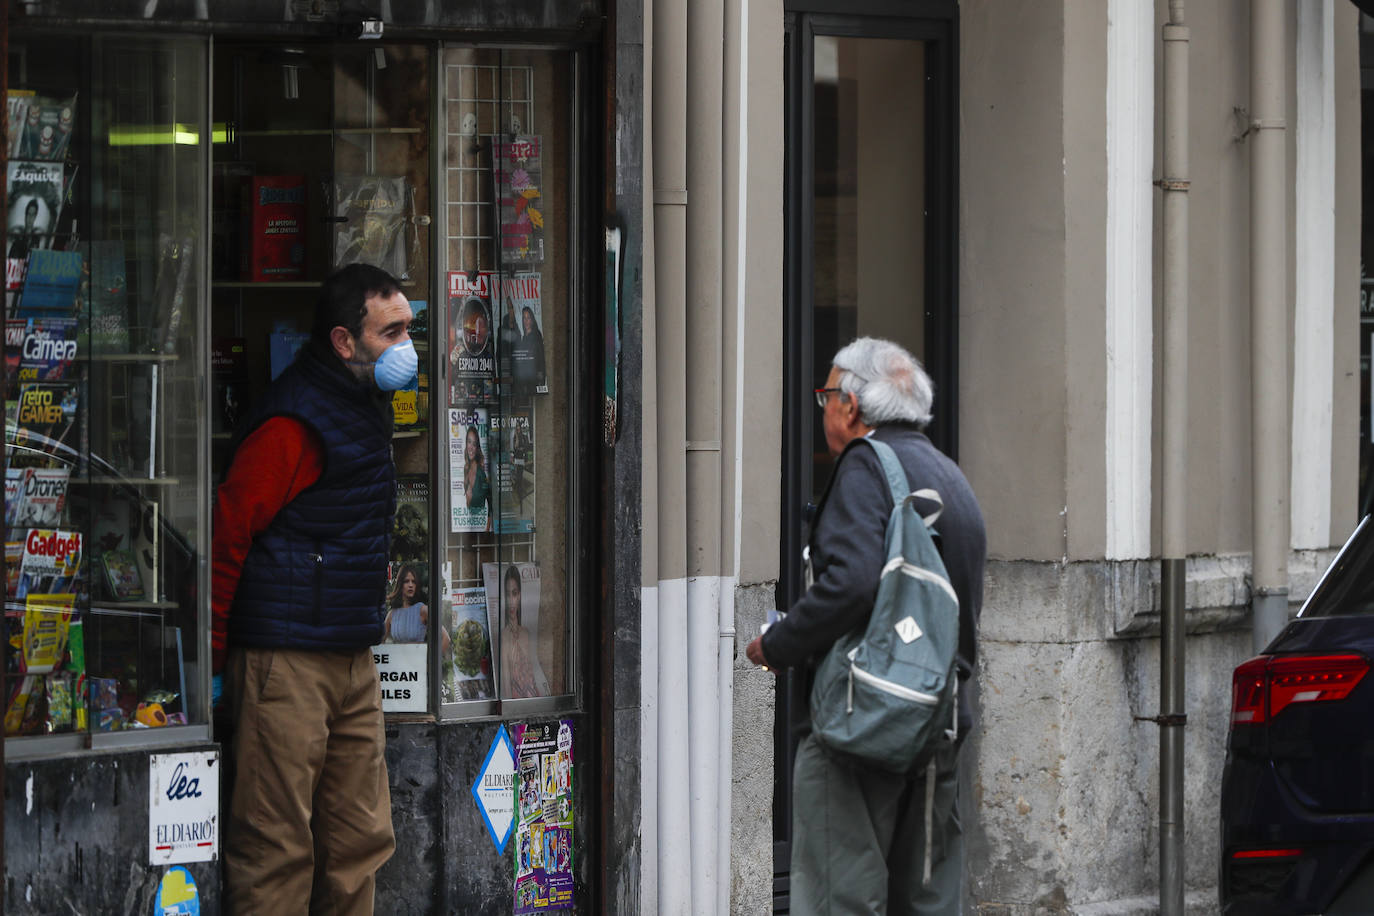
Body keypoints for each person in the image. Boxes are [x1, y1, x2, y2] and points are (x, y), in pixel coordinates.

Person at [746, 337, 986, 916]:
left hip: (860, 725)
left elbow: (850, 585)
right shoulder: (949, 477)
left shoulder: (864, 467)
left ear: (849, 406)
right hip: (938, 721)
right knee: (926, 897)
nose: (823, 408)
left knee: (839, 895)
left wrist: (776, 643)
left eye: (826, 394)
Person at [212, 262, 417, 914]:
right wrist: (213, 662)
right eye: (391, 332)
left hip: (349, 654)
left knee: (360, 842)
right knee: (276, 851)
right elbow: (228, 537)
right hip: (285, 660)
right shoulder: (291, 423)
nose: (406, 347)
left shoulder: (362, 405)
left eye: (408, 328)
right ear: (343, 340)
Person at [500, 564, 549, 698]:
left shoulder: (526, 633)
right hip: (516, 703)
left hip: (533, 698)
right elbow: (506, 680)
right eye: (507, 594)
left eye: (514, 594)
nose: (511, 601)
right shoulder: (504, 636)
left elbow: (534, 670)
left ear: (519, 596)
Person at [383, 563, 451, 655]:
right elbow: (379, 643)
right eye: (406, 581)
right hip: (398, 666)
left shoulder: (423, 610)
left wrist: (429, 664)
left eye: (413, 582)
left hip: (418, 666)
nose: (411, 585)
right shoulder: (392, 614)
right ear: (400, 584)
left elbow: (446, 638)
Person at [512, 305, 546, 394]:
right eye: (524, 318)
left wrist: (541, 378)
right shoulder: (524, 336)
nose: (526, 321)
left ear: (532, 319)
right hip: (524, 378)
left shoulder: (536, 335)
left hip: (534, 378)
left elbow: (541, 358)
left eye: (528, 318)